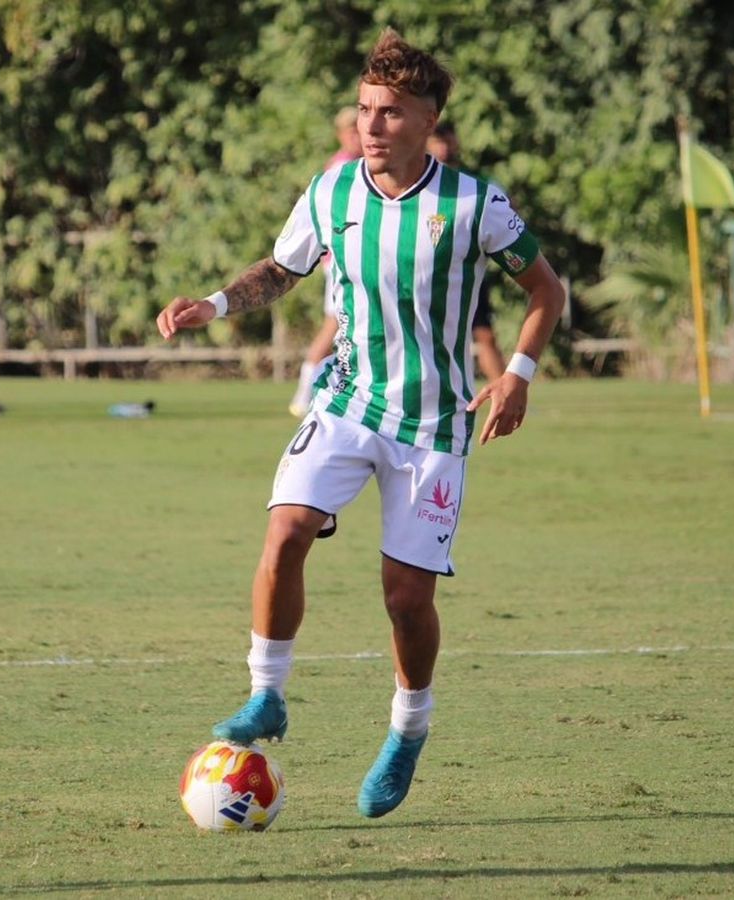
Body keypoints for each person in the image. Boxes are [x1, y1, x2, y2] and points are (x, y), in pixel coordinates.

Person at [157, 29, 565, 818]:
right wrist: (214, 303)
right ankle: (267, 693)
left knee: (406, 599)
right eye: (365, 109)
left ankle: (408, 730)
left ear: (427, 120)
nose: (372, 125)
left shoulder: (474, 205)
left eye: (391, 112)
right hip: (347, 402)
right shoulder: (333, 191)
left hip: (433, 426)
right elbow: (282, 269)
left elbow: (547, 292)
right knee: (286, 530)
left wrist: (517, 374)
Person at [289, 108, 362, 417]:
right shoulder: (344, 167)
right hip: (341, 263)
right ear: (340, 135)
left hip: (345, 261)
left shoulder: (355, 163)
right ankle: (303, 395)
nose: (357, 136)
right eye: (351, 131)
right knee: (336, 325)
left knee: (340, 325)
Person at [426, 122, 506, 382]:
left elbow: (507, 218)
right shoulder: (417, 185)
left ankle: (503, 391)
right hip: (427, 275)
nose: (442, 147)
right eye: (437, 141)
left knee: (484, 335)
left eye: (446, 140)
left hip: (467, 273)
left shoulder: (476, 182)